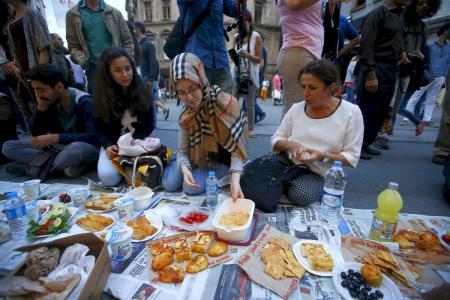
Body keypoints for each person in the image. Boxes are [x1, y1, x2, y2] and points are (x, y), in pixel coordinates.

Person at [271, 59, 363, 206]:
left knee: (301, 194)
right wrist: (291, 145)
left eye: (313, 88)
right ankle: (276, 184)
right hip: (288, 162)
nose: (306, 93)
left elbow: (351, 158)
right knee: (250, 174)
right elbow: (276, 139)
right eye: (303, 87)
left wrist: (322, 156)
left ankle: (275, 185)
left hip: (318, 173)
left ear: (331, 87)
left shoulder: (351, 113)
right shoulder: (297, 108)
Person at [162, 53, 248, 200]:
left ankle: (223, 174)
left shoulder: (226, 104)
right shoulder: (185, 114)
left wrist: (235, 178)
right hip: (197, 159)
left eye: (192, 88)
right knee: (169, 184)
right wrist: (185, 168)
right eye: (181, 93)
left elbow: (238, 150)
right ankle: (174, 162)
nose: (189, 98)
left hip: (223, 162)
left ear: (200, 80)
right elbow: (183, 151)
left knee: (189, 188)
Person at [2, 64, 99, 177]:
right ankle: (63, 168)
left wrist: (57, 137)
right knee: (8, 146)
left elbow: (94, 137)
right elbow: (36, 134)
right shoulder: (49, 101)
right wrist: (41, 108)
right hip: (57, 149)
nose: (38, 95)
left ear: (59, 86)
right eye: (35, 90)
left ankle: (30, 169)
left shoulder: (85, 102)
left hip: (84, 148)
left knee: (76, 149)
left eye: (41, 90)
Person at [356, 0, 409, 160]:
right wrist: (370, 74)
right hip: (376, 67)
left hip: (391, 68)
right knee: (367, 109)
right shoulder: (377, 13)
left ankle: (366, 143)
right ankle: (357, 145)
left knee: (381, 110)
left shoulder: (400, 15)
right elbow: (366, 45)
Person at [94, 47, 154, 186]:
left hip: (138, 142)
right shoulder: (101, 96)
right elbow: (99, 129)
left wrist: (132, 145)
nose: (125, 74)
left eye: (128, 68)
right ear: (108, 73)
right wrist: (108, 146)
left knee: (145, 177)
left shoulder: (142, 91)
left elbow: (149, 125)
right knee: (109, 178)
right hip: (113, 146)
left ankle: (125, 168)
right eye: (118, 70)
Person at [66, 0, 134, 93]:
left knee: (123, 100)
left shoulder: (114, 13)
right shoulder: (73, 14)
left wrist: (123, 62)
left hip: (117, 68)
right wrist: (84, 62)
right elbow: (73, 45)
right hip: (93, 70)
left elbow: (127, 41)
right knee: (98, 103)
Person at [3, 0, 52, 121]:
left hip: (36, 74)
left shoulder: (31, 13)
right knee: (35, 116)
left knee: (47, 112)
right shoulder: (12, 18)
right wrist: (14, 63)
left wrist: (38, 76)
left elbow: (44, 47)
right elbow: (18, 48)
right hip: (24, 76)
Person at [177, 0, 238, 94]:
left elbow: (234, 9)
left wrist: (241, 5)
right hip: (197, 59)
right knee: (198, 104)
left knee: (227, 103)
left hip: (220, 59)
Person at [276, 0, 324, 116]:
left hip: (305, 52)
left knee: (300, 112)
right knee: (296, 113)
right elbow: (295, 4)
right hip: (298, 51)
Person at [405, 23, 450, 124]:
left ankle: (427, 119)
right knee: (416, 96)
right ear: (445, 31)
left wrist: (444, 77)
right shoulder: (430, 45)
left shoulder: (449, 47)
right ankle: (407, 115)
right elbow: (422, 60)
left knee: (431, 99)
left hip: (440, 77)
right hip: (427, 76)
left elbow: (448, 63)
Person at [231, 11, 262, 138]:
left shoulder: (256, 36)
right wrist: (234, 55)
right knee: (234, 102)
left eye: (244, 22)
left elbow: (259, 59)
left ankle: (250, 128)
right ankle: (234, 127)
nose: (241, 26)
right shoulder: (235, 37)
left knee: (250, 104)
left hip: (250, 75)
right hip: (236, 74)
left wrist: (247, 55)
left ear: (249, 22)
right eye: (240, 23)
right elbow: (232, 57)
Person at [133, 21, 169, 123]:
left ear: (139, 29)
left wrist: (151, 79)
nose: (133, 31)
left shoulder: (148, 44)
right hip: (142, 76)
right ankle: (150, 123)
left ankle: (153, 124)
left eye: (134, 29)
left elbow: (153, 62)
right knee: (149, 101)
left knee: (151, 102)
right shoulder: (139, 45)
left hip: (147, 77)